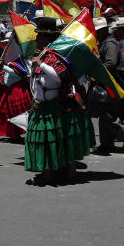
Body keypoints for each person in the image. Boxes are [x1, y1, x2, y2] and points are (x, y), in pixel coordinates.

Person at [24, 49, 93, 185]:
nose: (37, 39)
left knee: (48, 139)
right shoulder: (44, 54)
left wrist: (40, 64)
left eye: (39, 36)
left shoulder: (55, 58)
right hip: (45, 104)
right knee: (55, 139)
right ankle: (56, 170)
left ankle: (50, 173)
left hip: (53, 106)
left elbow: (58, 77)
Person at [95, 17, 124, 152]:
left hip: (111, 82)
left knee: (107, 113)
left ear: (103, 30)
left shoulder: (109, 43)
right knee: (104, 112)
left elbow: (111, 63)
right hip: (107, 82)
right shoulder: (104, 42)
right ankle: (107, 143)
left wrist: (97, 71)